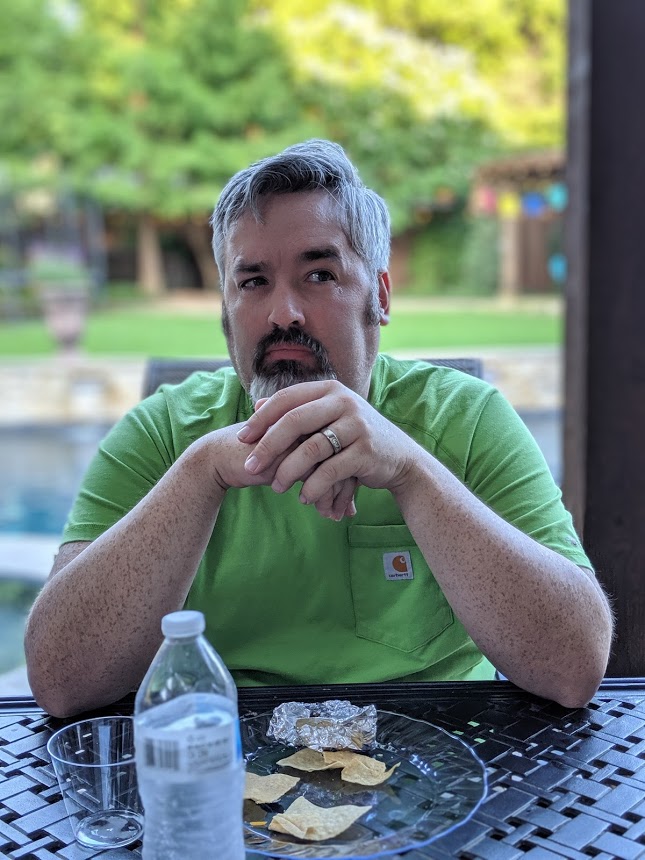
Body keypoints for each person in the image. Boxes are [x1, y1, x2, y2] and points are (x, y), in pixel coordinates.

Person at [25, 139, 613, 718]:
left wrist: (411, 473)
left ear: (379, 296)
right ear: (225, 314)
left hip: (445, 752)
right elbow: (61, 682)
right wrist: (202, 474)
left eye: (319, 275)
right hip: (222, 750)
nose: (284, 313)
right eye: (253, 282)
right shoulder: (164, 434)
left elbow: (574, 668)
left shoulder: (464, 418)